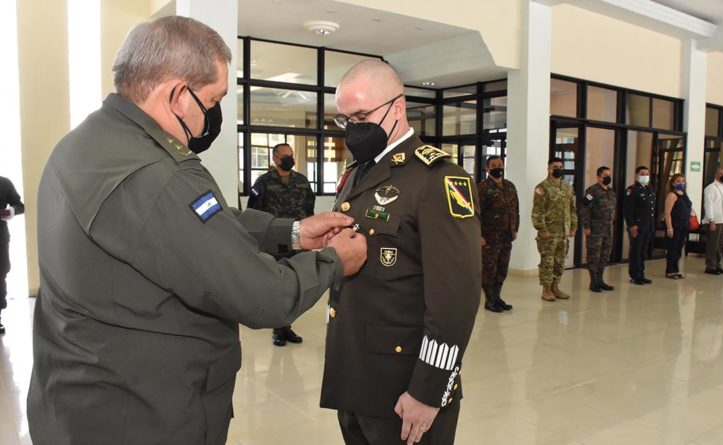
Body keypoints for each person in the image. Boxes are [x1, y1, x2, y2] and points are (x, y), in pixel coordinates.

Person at [27, 16, 367, 445]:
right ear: (175, 94)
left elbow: (200, 223)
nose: (214, 116)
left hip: (79, 401)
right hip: (143, 415)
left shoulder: (88, 144)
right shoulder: (156, 174)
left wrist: (293, 231)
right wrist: (334, 261)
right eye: (213, 99)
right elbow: (265, 296)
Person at [321, 59, 481, 445]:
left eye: (361, 115)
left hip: (405, 387)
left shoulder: (440, 179)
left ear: (397, 106)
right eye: (345, 120)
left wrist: (429, 392)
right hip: (356, 375)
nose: (353, 129)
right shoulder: (359, 170)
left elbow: (454, 301)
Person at [248, 143, 315, 346]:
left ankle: (287, 326)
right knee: (277, 286)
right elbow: (253, 213)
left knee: (294, 285)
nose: (290, 159)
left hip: (297, 240)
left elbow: (309, 209)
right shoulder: (263, 182)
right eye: (285, 156)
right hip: (274, 242)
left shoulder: (302, 181)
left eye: (291, 155)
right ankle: (278, 328)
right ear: (275, 158)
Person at [532, 158, 577, 302]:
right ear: (549, 169)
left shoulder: (567, 187)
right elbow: (537, 212)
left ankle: (555, 287)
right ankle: (546, 290)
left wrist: (573, 227)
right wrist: (542, 229)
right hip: (549, 233)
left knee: (560, 262)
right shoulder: (542, 188)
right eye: (555, 167)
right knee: (548, 262)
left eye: (561, 166)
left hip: (563, 233)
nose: (558, 169)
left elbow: (572, 209)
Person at [478, 155, 519, 312]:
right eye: (494, 165)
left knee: (502, 268)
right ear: (487, 169)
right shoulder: (482, 188)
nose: (498, 168)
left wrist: (515, 229)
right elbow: (475, 213)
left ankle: (497, 297)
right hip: (488, 237)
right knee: (489, 269)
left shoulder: (510, 186)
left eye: (500, 164)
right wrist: (478, 235)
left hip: (506, 235)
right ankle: (490, 301)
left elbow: (516, 210)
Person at [580, 166, 616, 293]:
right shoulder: (592, 191)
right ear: (599, 177)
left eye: (609, 175)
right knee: (593, 256)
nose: (608, 177)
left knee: (604, 256)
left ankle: (600, 280)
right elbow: (584, 209)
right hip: (595, 230)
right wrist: (587, 227)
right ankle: (593, 282)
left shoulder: (611, 191)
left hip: (608, 230)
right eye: (605, 175)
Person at [0, 176, 25, 334]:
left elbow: (20, 206)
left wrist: (11, 211)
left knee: (0, 274)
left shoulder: (4, 183)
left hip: (0, 237)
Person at [623, 165, 655, 285]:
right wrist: (631, 225)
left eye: (647, 174)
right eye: (642, 174)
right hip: (637, 226)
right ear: (636, 175)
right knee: (636, 251)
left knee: (642, 252)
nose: (645, 176)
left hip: (647, 226)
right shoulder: (632, 190)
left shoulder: (648, 189)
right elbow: (627, 210)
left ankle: (641, 274)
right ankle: (635, 276)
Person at [702, 168, 723, 275]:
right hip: (715, 221)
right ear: (716, 175)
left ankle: (717, 264)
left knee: (720, 244)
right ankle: (710, 266)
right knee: (713, 244)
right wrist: (711, 220)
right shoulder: (710, 188)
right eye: (721, 174)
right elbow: (708, 205)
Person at [664, 173, 692, 279]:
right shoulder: (672, 195)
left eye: (683, 181)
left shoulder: (684, 195)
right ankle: (670, 270)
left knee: (679, 249)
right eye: (678, 181)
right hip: (675, 225)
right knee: (672, 248)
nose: (681, 183)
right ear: (673, 183)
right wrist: (669, 227)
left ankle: (675, 269)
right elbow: (667, 213)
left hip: (684, 225)